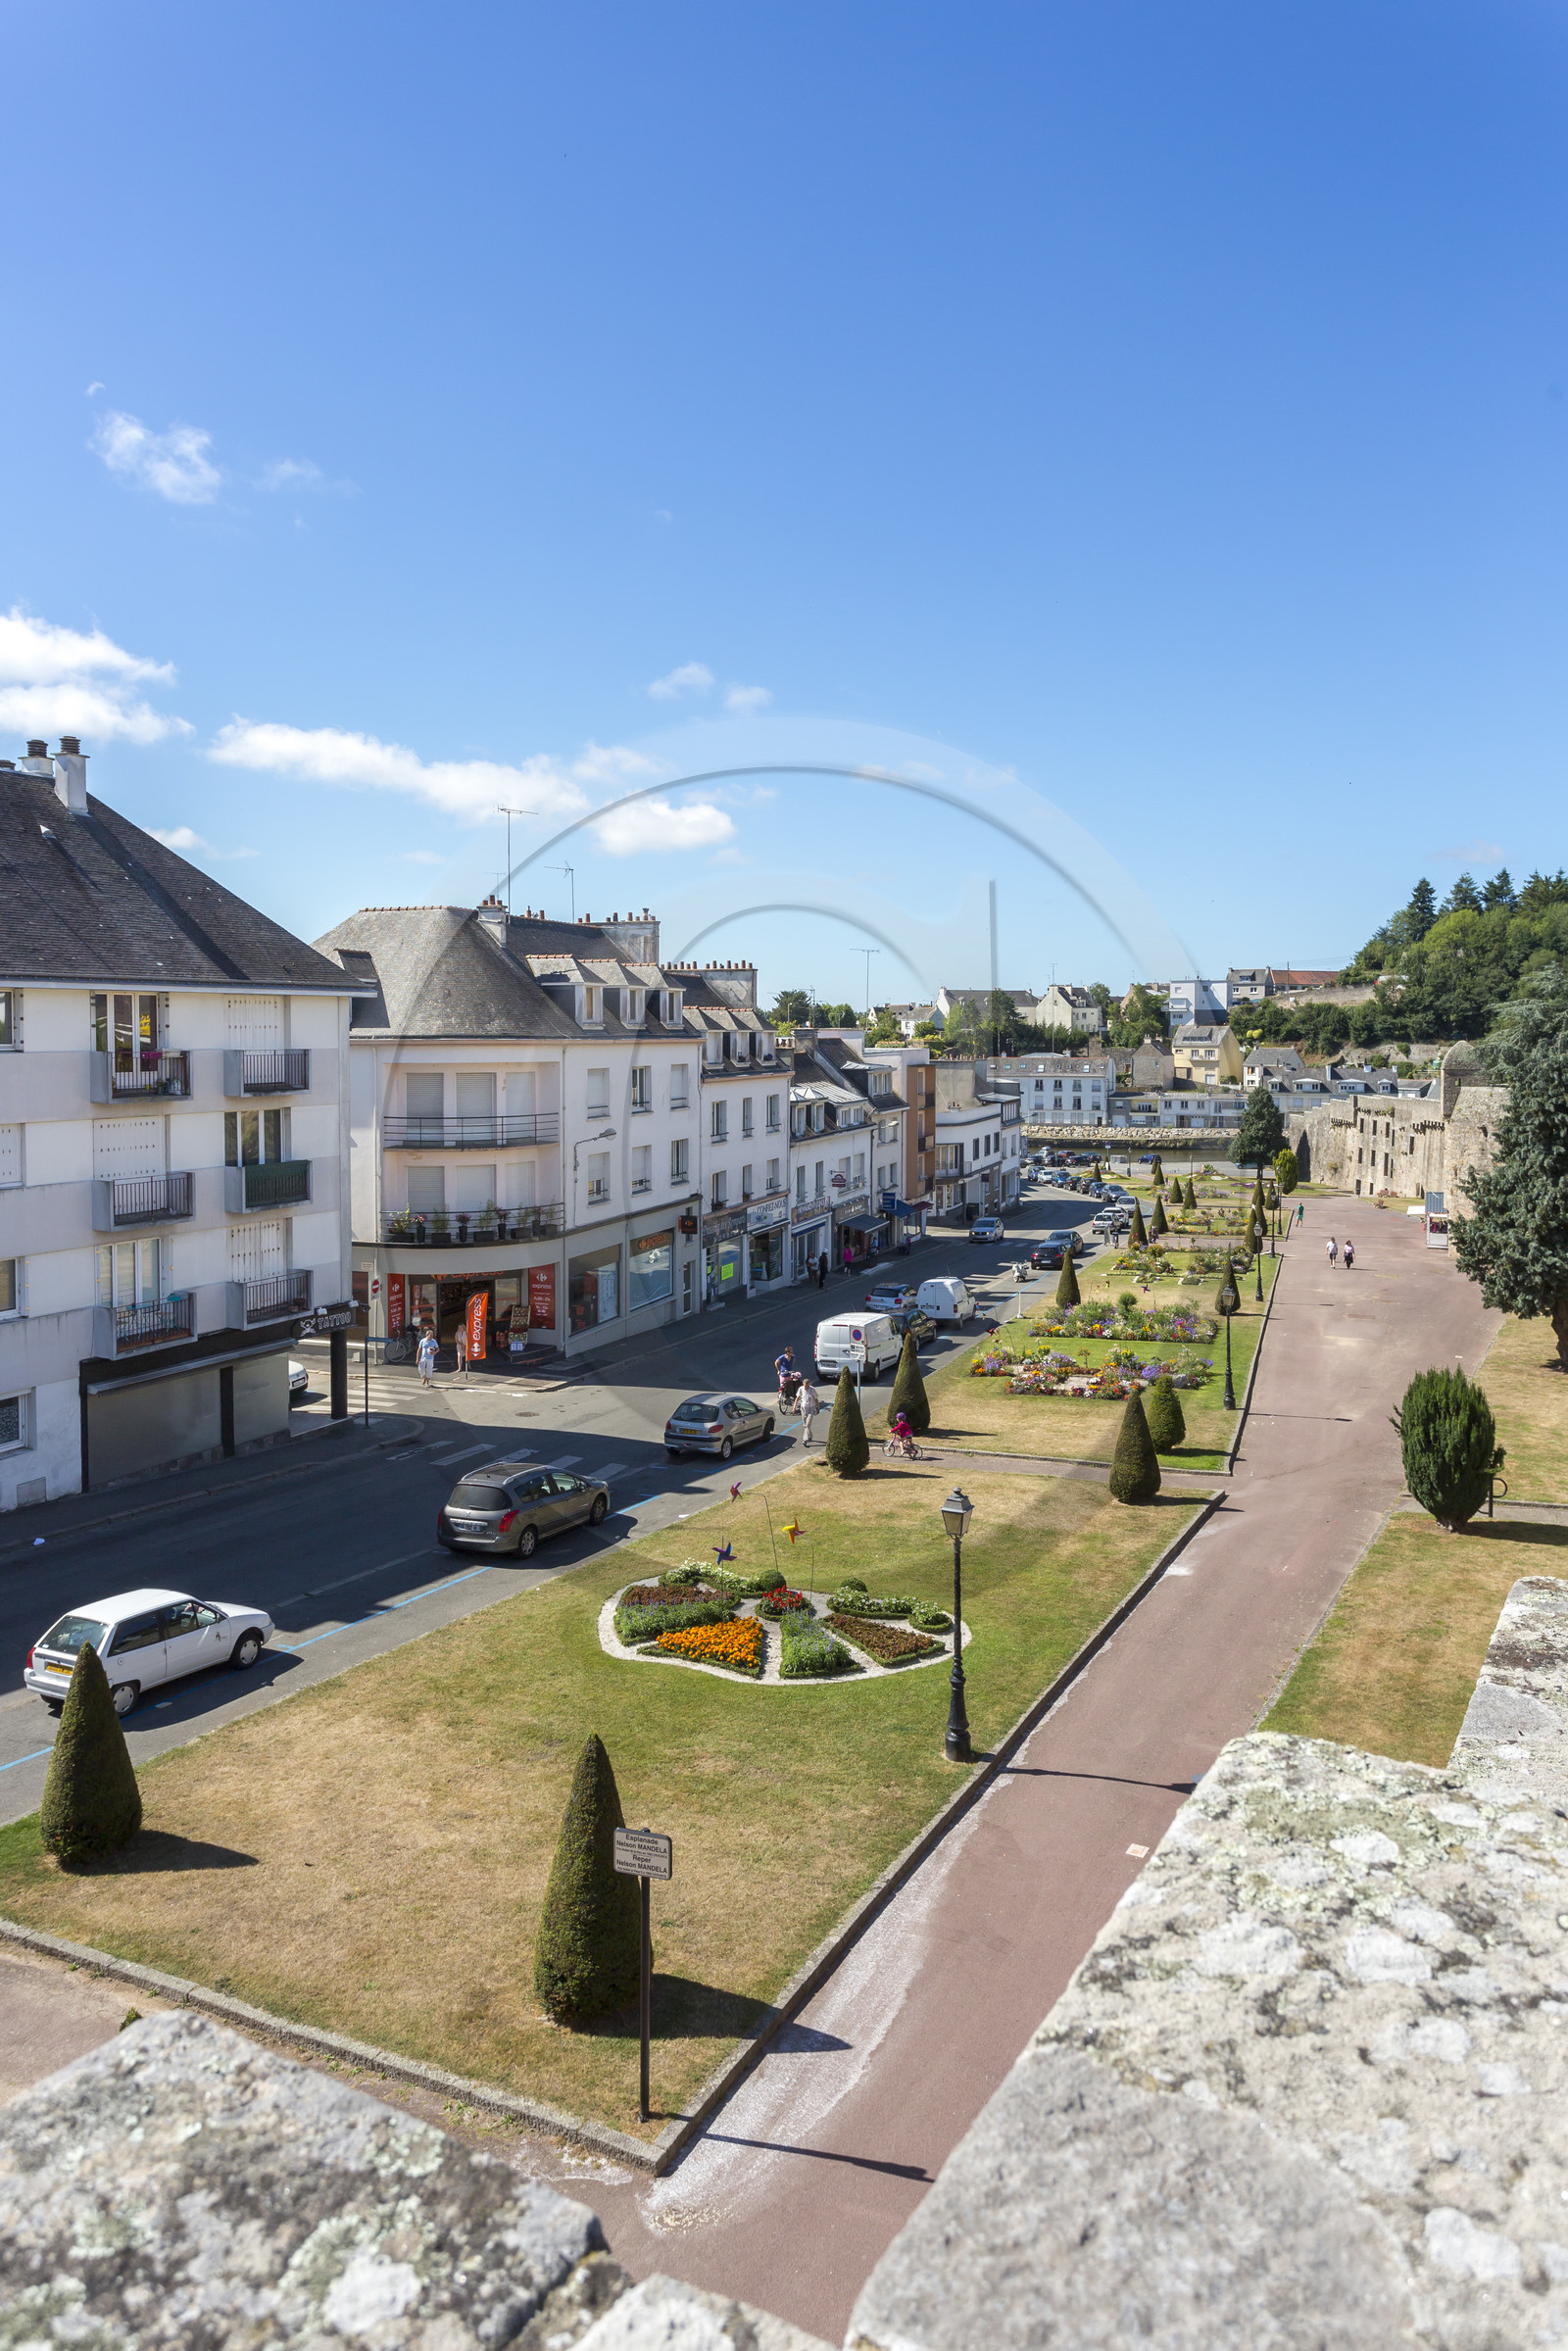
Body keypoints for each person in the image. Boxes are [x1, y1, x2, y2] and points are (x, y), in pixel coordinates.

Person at [797, 1378, 820, 1447]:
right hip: (803, 1408)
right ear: (803, 1384)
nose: (806, 1387)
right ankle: (810, 1435)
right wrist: (794, 1407)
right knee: (805, 1424)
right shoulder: (801, 1389)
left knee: (808, 1423)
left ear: (809, 1384)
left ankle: (805, 1440)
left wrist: (818, 1408)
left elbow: (816, 1399)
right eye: (804, 1385)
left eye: (807, 1385)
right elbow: (797, 1398)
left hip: (811, 1408)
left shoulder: (812, 1390)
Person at [416, 1324, 437, 1388]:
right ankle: (424, 1377)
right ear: (427, 1335)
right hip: (423, 1358)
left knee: (429, 1370)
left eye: (432, 1336)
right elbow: (419, 1350)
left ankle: (427, 1382)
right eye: (430, 1336)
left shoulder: (434, 1341)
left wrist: (434, 1352)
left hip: (430, 1358)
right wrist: (417, 1359)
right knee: (421, 1370)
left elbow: (438, 1348)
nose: (431, 1337)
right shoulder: (422, 1341)